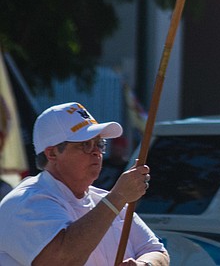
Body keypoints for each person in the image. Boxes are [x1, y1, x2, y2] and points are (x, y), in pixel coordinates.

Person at [0, 102, 168, 266]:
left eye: (99, 144)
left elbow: (157, 251)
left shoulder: (107, 201)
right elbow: (62, 261)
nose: (96, 152)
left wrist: (145, 264)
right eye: (85, 144)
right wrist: (118, 197)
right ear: (52, 153)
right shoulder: (24, 203)